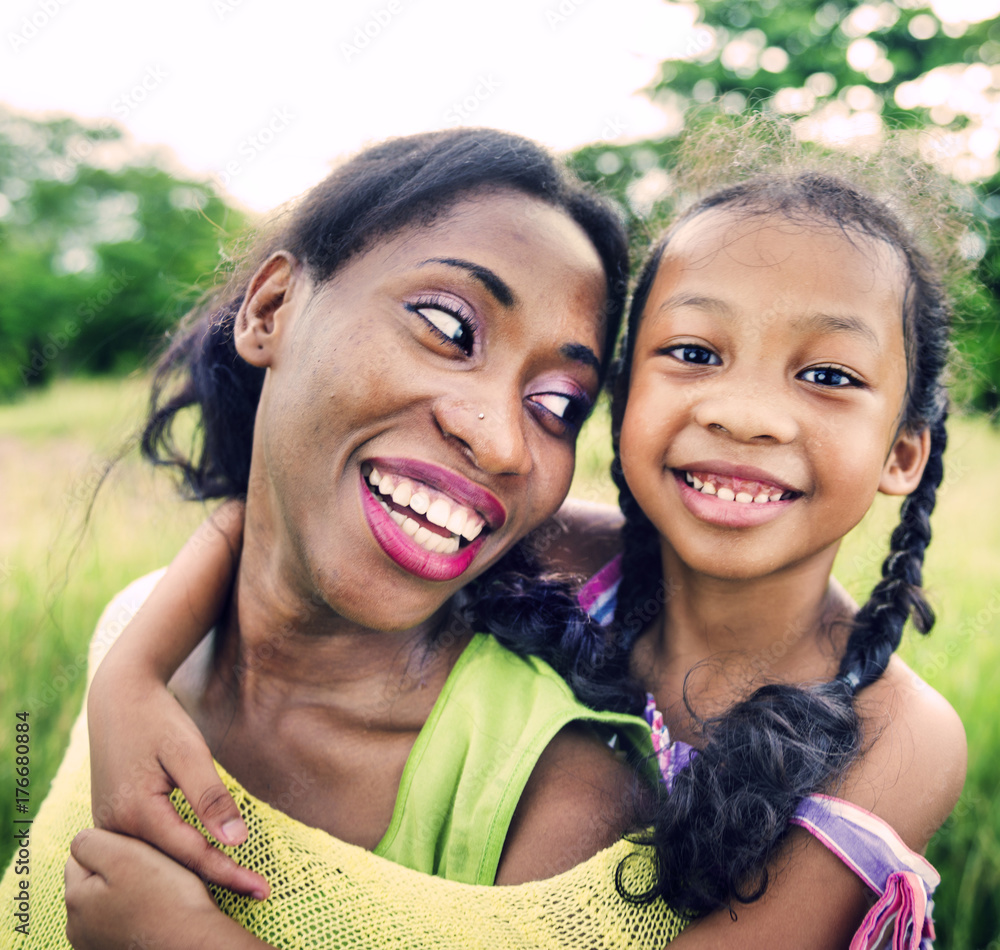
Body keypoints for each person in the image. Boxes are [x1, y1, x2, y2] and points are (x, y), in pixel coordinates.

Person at [59, 120, 971, 948]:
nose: (746, 415)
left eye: (828, 375)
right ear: (623, 402)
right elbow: (268, 518)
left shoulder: (897, 732)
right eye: (694, 354)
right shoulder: (574, 550)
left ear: (902, 453)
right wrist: (131, 674)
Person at [0, 126, 691, 948]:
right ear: (271, 310)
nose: (505, 444)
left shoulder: (559, 802)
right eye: (447, 325)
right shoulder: (135, 634)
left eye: (557, 406)